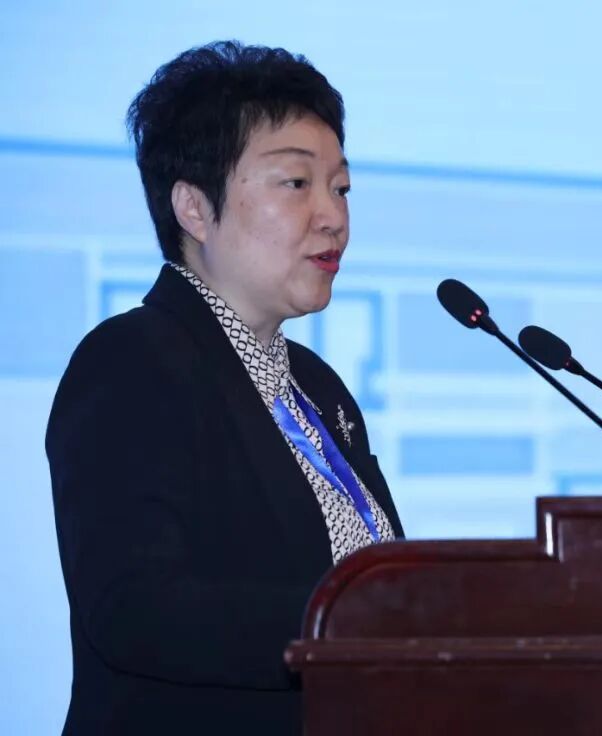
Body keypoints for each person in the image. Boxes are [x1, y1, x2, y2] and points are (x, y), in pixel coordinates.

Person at [45, 40, 402, 735]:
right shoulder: (130, 362)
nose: (333, 216)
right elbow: (135, 610)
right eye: (295, 183)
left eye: (341, 187)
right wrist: (355, 622)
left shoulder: (319, 388)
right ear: (194, 208)